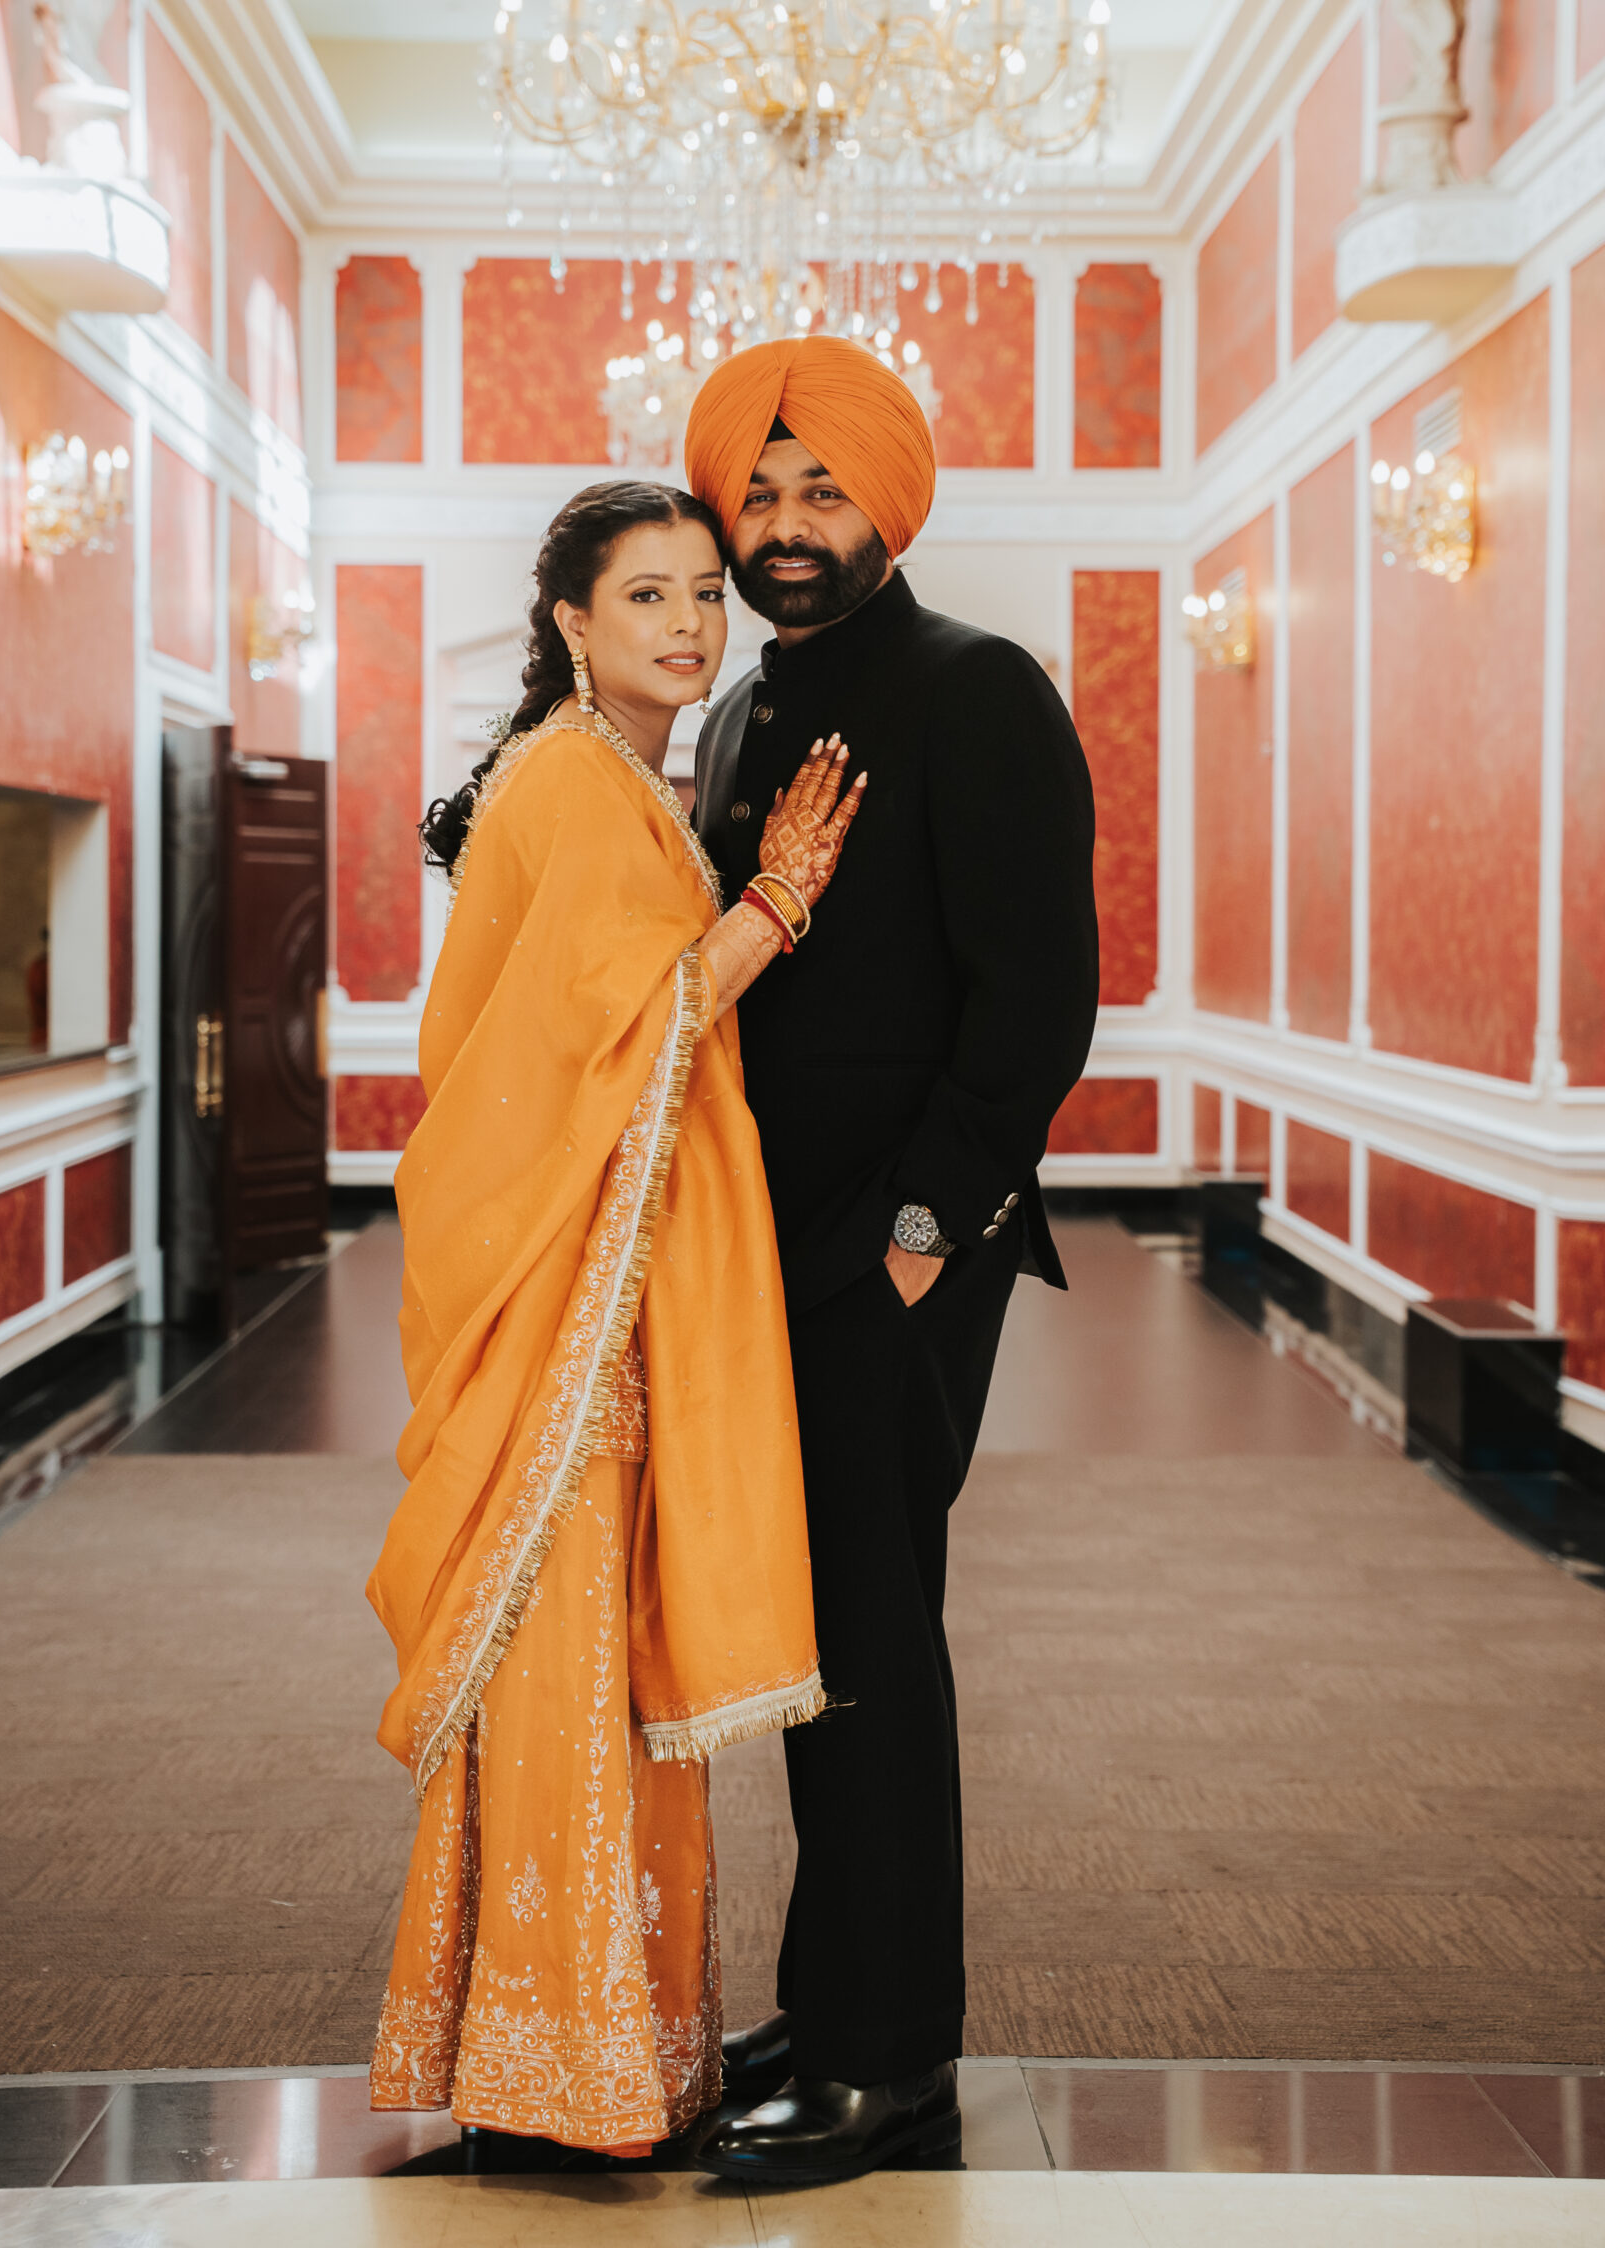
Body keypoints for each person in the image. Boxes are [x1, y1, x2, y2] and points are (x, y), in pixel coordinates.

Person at [366, 479, 864, 2166]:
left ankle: (594, 2050)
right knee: (570, 1662)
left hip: (607, 1285)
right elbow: (627, 1030)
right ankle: (558, 2069)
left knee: (597, 1663)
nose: (691, 624)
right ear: (574, 622)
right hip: (568, 1305)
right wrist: (777, 902)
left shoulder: (619, 778)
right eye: (648, 595)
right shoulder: (579, 783)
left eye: (706, 593)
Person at [686, 338, 1100, 2183]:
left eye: (822, 491)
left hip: (896, 1252)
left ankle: (894, 2059)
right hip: (751, 1251)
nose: (786, 527)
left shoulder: (977, 687)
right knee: (803, 1638)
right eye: (760, 494)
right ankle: (833, 1999)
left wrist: (922, 1240)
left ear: (889, 508)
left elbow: (1038, 1001)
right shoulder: (734, 716)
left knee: (871, 1640)